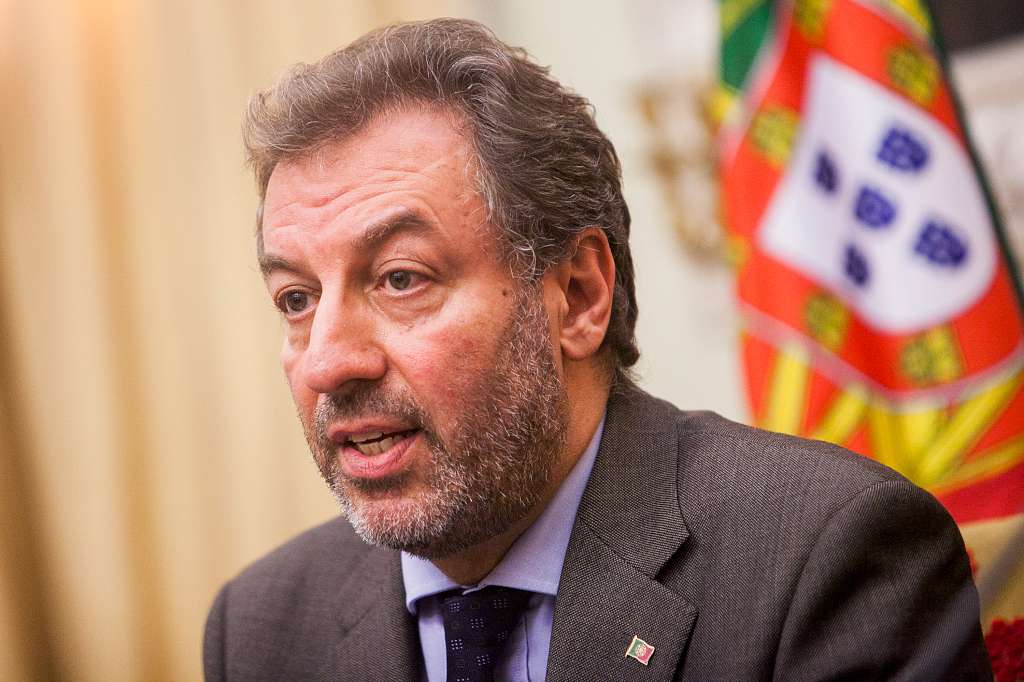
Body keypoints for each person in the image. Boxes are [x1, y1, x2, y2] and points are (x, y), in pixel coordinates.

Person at [203, 18, 991, 681]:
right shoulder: (261, 628)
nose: (327, 363)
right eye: (296, 299)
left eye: (401, 278)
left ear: (578, 296)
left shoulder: (825, 558)